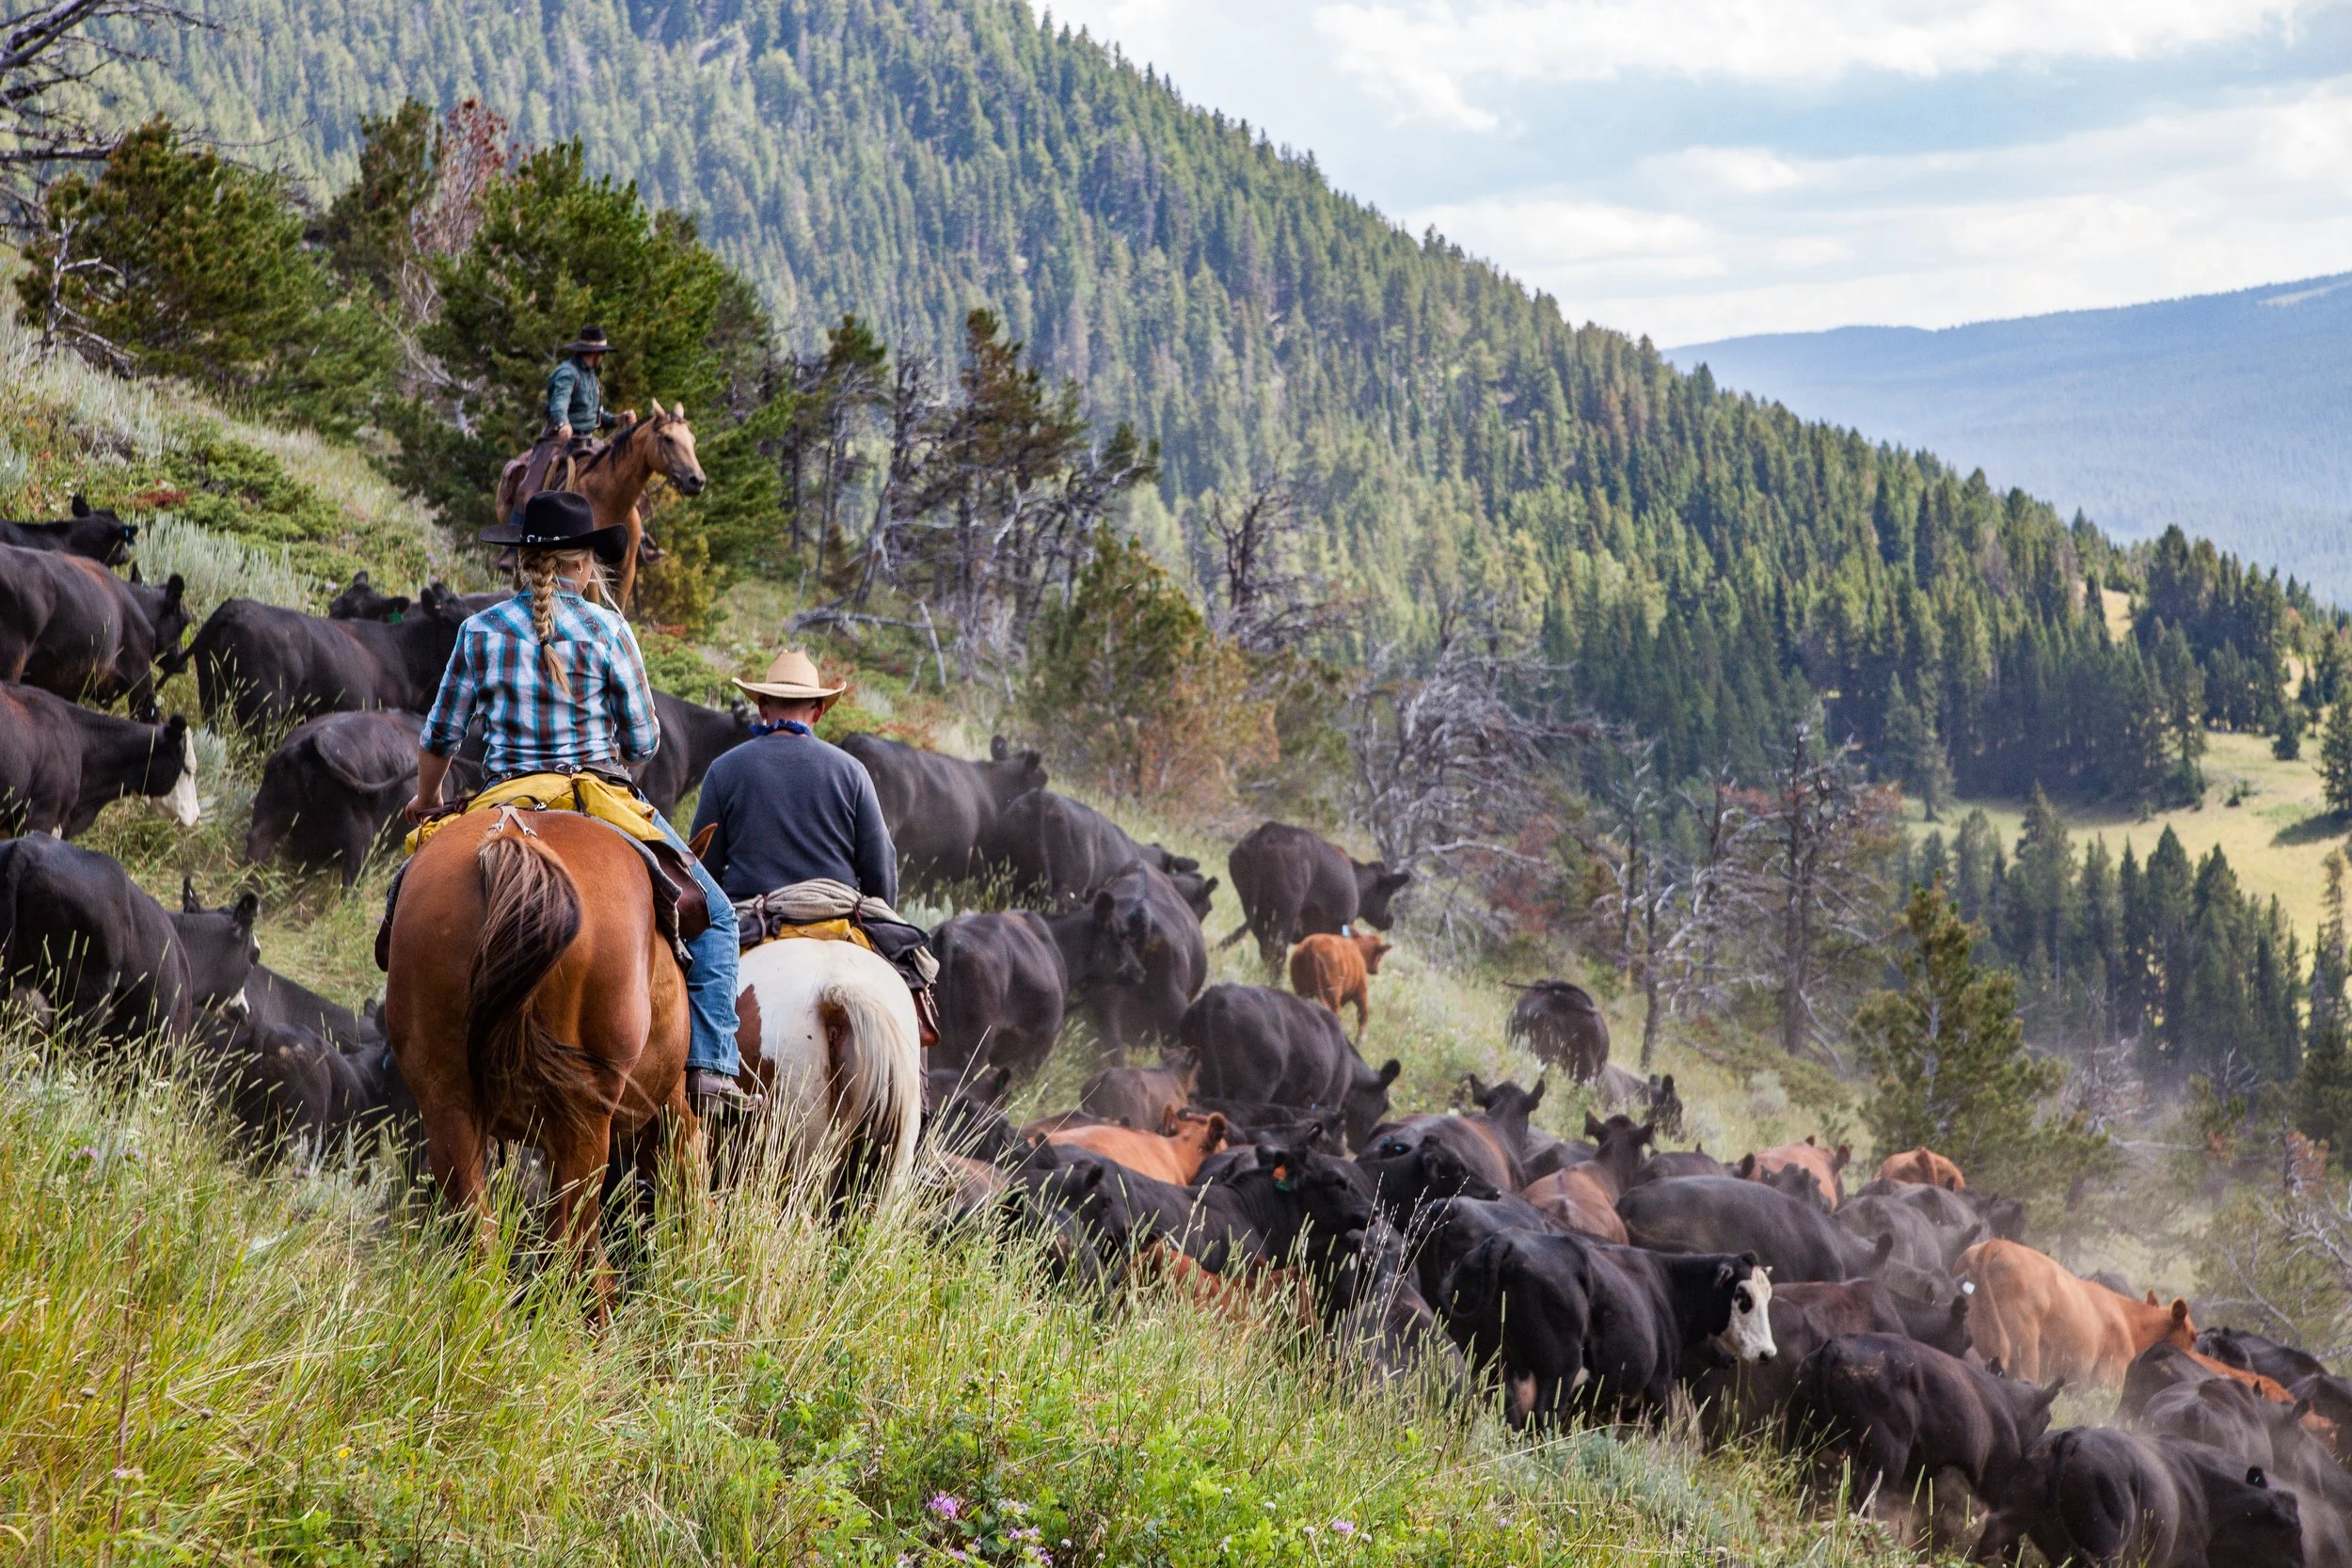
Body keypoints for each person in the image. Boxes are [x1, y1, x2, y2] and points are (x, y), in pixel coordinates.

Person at [405, 489, 753, 1117]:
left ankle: (401, 1038)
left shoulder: (480, 629)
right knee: (719, 915)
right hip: (597, 792)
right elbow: (645, 737)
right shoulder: (608, 627)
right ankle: (711, 1066)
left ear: (522, 562)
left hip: (505, 795)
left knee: (409, 894)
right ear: (585, 564)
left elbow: (440, 736)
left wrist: (426, 799)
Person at [691, 649, 897, 907]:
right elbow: (880, 866)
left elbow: (702, 868)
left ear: (762, 706)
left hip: (750, 915)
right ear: (819, 711)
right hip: (837, 913)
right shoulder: (853, 771)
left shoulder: (723, 769)